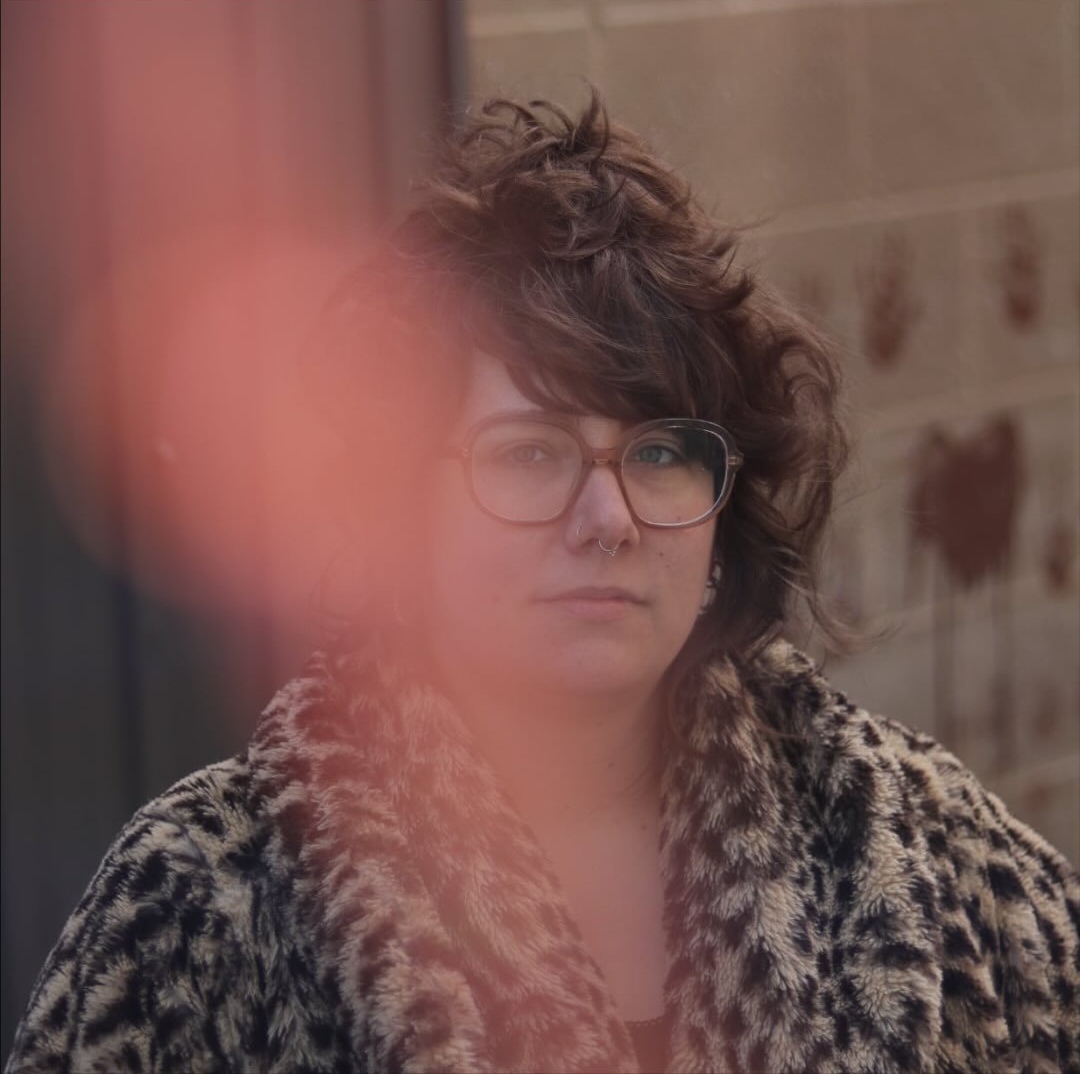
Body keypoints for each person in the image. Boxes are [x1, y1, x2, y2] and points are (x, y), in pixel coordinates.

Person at [5, 91, 1078, 1074]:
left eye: (661, 453)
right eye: (529, 453)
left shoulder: (911, 846)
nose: (609, 520)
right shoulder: (205, 902)